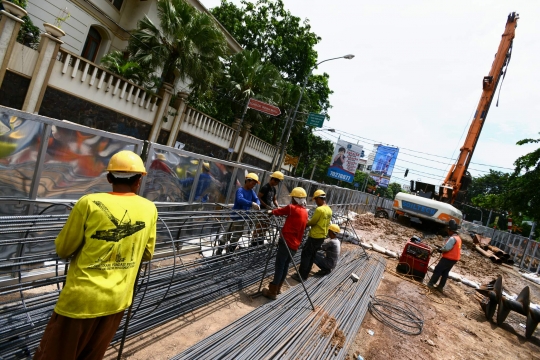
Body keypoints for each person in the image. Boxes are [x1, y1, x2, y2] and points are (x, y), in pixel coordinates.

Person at [34, 150, 157, 360]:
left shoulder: (88, 203)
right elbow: (147, 254)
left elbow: (63, 249)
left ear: (109, 178)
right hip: (117, 302)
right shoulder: (149, 208)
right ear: (138, 181)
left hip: (81, 302)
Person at [262, 187, 309, 300]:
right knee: (286, 265)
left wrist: (271, 211)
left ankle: (272, 291)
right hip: (295, 244)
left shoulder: (292, 208)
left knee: (279, 265)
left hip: (286, 242)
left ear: (295, 199)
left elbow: (279, 211)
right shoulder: (305, 212)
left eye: (292, 198)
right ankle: (278, 288)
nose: (291, 200)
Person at [292, 189, 333, 281]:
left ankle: (301, 276)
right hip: (322, 237)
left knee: (306, 255)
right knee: (312, 255)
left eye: (316, 200)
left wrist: (304, 222)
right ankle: (305, 275)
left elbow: (313, 222)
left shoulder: (319, 209)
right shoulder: (329, 209)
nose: (316, 202)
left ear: (319, 198)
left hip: (314, 236)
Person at [216, 172, 261, 255]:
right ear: (247, 181)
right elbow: (240, 200)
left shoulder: (251, 192)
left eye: (255, 184)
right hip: (235, 217)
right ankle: (218, 253)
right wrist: (251, 203)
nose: (253, 185)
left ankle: (229, 254)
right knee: (227, 235)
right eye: (252, 183)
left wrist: (257, 204)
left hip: (243, 218)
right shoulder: (240, 190)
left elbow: (256, 199)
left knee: (237, 236)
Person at [427, 219, 462, 293]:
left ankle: (431, 284)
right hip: (454, 259)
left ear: (451, 230)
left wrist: (440, 250)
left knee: (438, 269)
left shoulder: (452, 238)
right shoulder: (458, 238)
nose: (448, 231)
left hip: (448, 258)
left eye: (448, 230)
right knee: (445, 272)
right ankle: (440, 287)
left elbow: (447, 248)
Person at [251, 171, 284, 246]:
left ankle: (260, 240)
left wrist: (277, 206)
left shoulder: (273, 189)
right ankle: (253, 241)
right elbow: (258, 197)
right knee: (259, 226)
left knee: (266, 226)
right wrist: (265, 205)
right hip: (263, 210)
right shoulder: (265, 187)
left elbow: (274, 199)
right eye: (277, 182)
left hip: (269, 211)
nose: (277, 183)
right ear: (273, 180)